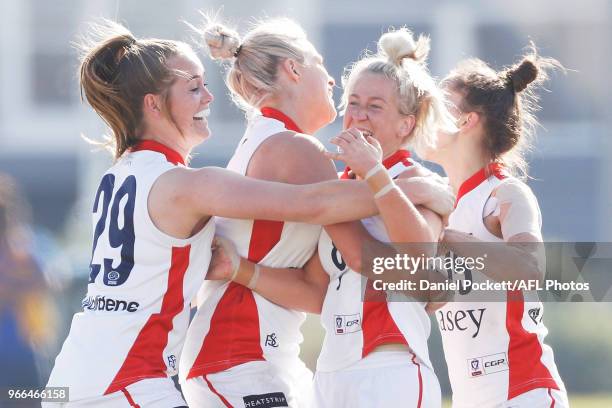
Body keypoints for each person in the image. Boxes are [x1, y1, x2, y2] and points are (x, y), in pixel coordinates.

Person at [43, 20, 439, 408]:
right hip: (151, 377)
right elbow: (325, 215)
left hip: (99, 372)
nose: (209, 98)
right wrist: (415, 189)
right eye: (195, 88)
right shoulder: (220, 173)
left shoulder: (125, 173)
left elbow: (320, 286)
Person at [179, 19, 454, 408]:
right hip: (241, 354)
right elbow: (358, 250)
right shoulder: (301, 151)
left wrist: (240, 269)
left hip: (275, 358)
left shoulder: (279, 141)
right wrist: (421, 192)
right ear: (294, 70)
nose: (332, 82)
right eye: (321, 65)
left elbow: (319, 290)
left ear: (406, 123)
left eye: (374, 106)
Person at [422, 45, 569, 407]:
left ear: (466, 120)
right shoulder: (438, 204)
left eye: (437, 108)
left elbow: (528, 268)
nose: (423, 118)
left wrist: (446, 237)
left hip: (523, 390)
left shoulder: (504, 192)